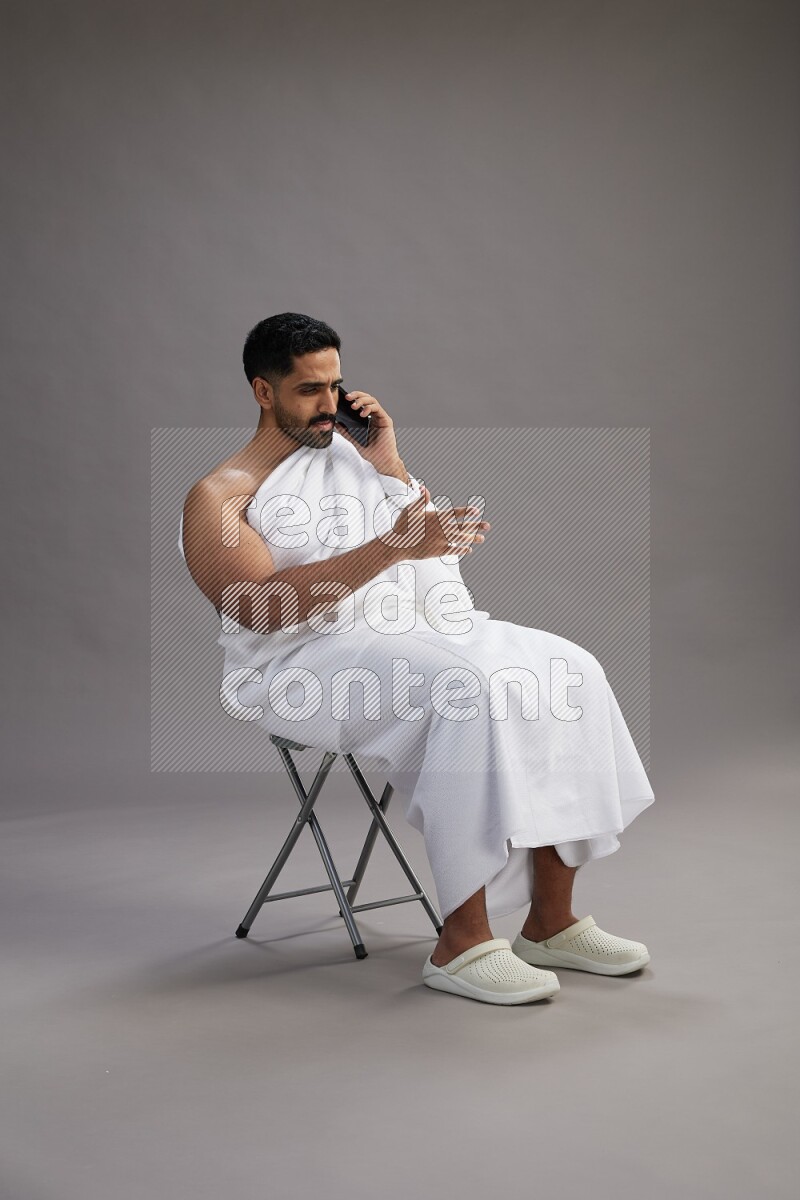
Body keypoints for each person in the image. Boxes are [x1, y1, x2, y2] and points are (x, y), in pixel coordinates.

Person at [179, 312, 655, 1006]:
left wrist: (391, 465)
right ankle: (460, 942)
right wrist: (395, 547)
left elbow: (422, 547)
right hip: (303, 662)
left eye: (337, 385)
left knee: (570, 669)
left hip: (410, 629)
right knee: (468, 689)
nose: (331, 405)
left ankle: (551, 923)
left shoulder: (354, 457)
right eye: (310, 390)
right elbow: (260, 609)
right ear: (263, 391)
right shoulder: (219, 495)